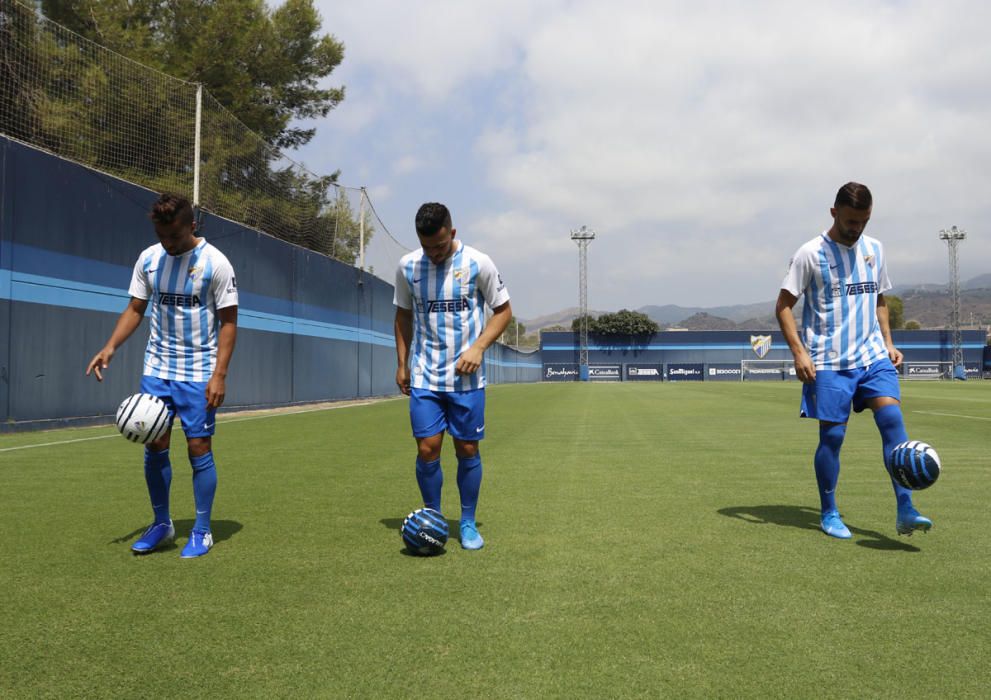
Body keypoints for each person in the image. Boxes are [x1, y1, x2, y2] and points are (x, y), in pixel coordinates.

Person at [775, 182, 932, 539]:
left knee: (892, 420)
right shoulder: (809, 254)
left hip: (872, 356)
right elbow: (783, 306)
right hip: (828, 362)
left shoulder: (874, 250)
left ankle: (906, 508)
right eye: (850, 221)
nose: (857, 229)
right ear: (834, 213)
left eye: (863, 221)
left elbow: (879, 300)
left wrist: (889, 343)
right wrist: (799, 352)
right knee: (832, 438)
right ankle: (829, 512)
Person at [87, 193, 238, 557]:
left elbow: (229, 322)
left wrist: (219, 375)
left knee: (198, 446)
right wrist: (110, 346)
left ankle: (202, 531)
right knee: (154, 442)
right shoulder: (149, 258)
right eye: (161, 236)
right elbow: (136, 308)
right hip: (157, 367)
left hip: (199, 370)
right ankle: (162, 524)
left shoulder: (216, 263)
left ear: (192, 226)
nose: (168, 244)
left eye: (174, 237)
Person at [394, 202, 512, 550]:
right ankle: (432, 518)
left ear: (453, 233)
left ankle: (467, 521)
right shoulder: (407, 267)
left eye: (440, 246)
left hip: (467, 381)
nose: (433, 254)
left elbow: (503, 312)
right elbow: (402, 316)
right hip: (425, 375)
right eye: (427, 246)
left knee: (467, 447)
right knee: (428, 448)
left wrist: (478, 348)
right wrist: (402, 363)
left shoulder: (479, 263)